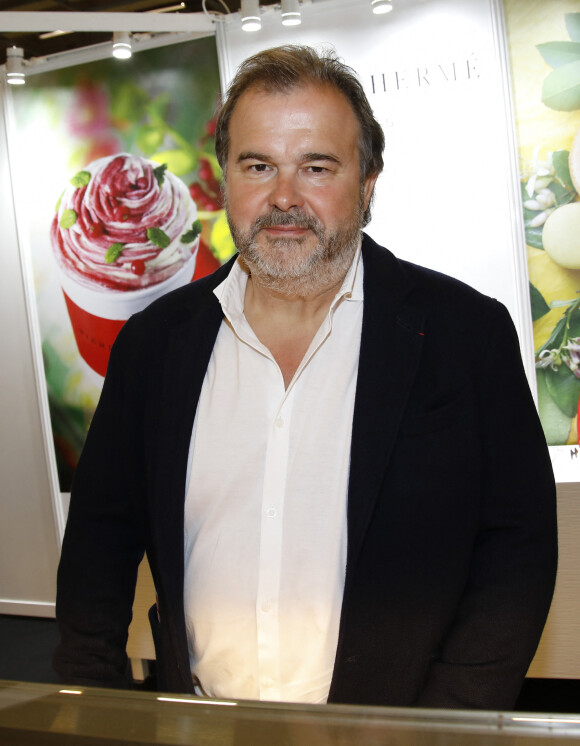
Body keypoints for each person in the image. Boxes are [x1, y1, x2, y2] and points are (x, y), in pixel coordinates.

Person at [54, 45, 557, 710]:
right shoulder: (153, 345)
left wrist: (442, 726)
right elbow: (99, 546)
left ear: (368, 182)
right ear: (225, 177)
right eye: (258, 165)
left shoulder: (465, 334)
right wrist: (95, 707)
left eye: (316, 166)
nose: (283, 197)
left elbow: (517, 550)